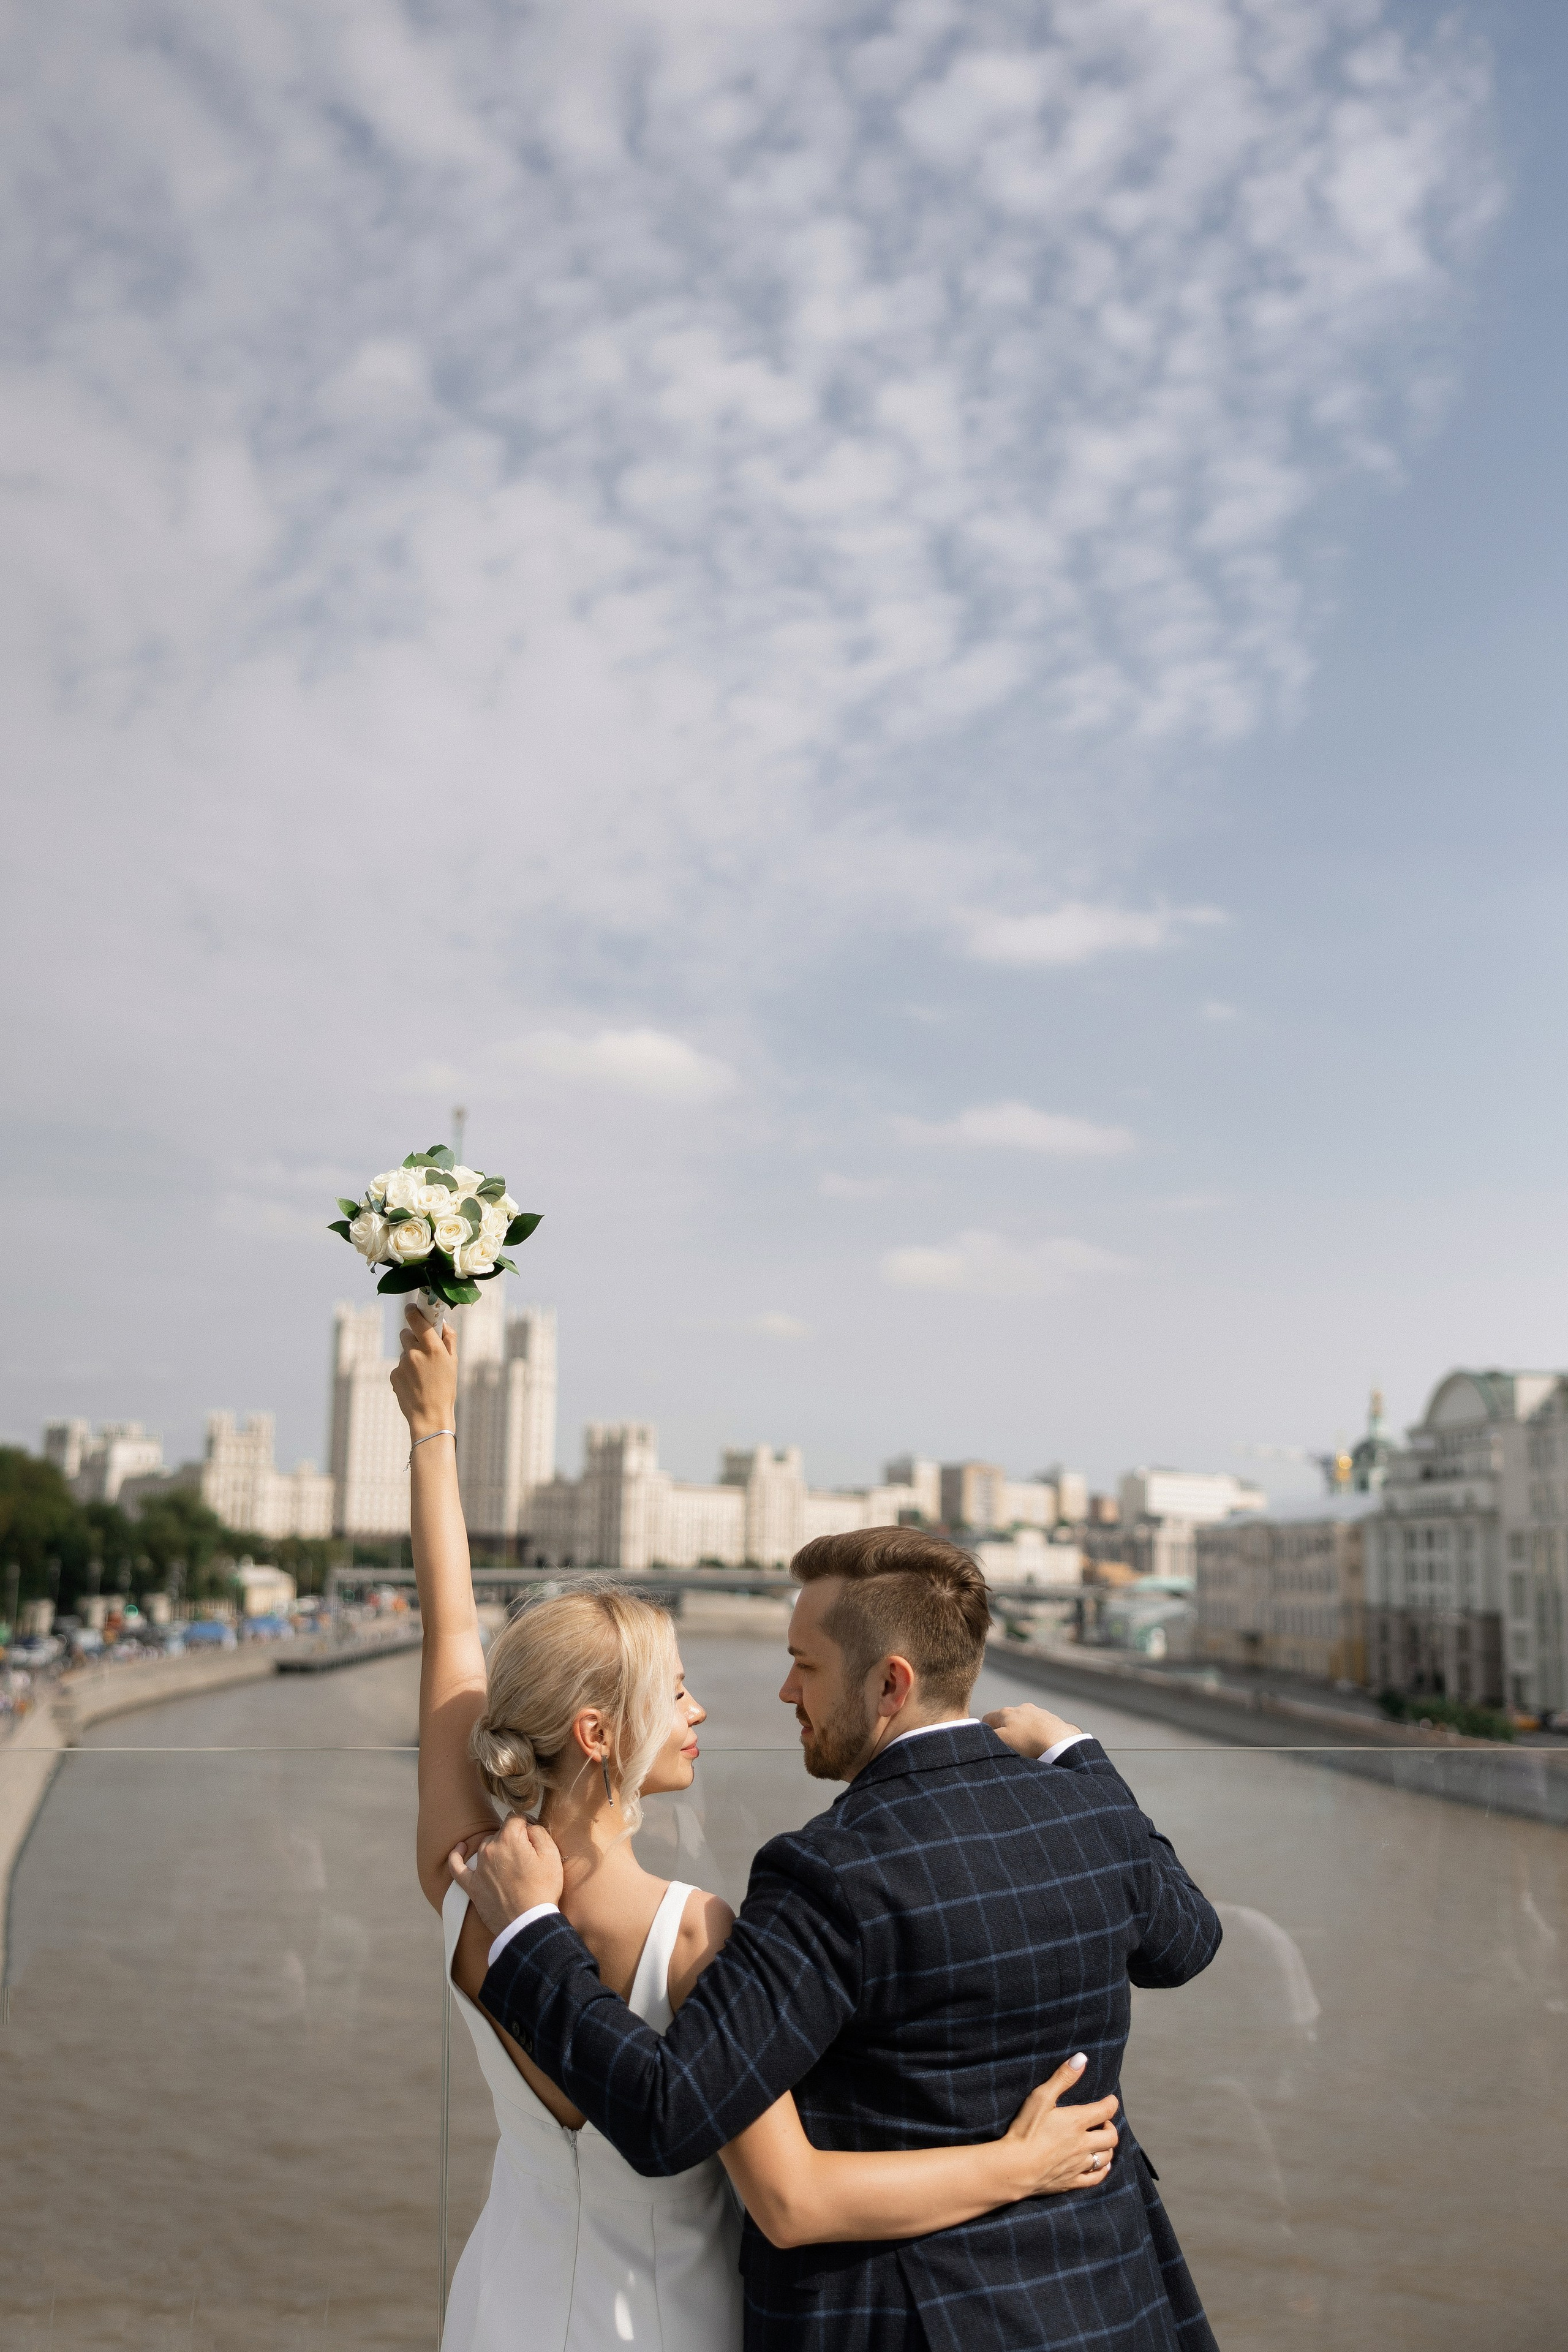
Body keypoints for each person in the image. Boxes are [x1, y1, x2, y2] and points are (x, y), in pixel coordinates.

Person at [392, 1306, 1128, 2352]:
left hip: (500, 2306)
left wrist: (431, 1431)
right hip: (658, 2324)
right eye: (676, 1693)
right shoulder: (697, 1937)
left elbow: (453, 1642)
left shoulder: (468, 1889)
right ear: (599, 1732)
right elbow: (798, 2200)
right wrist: (1020, 2166)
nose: (701, 1714)